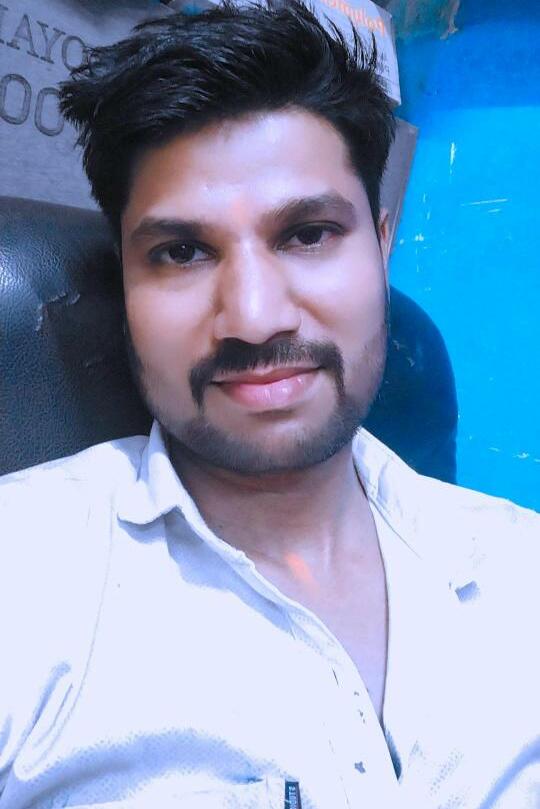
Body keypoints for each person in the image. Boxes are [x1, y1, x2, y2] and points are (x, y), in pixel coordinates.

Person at [0, 2, 538, 807]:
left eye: (308, 234)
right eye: (182, 251)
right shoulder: (25, 577)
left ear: (383, 243)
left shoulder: (521, 568)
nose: (254, 317)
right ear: (125, 279)